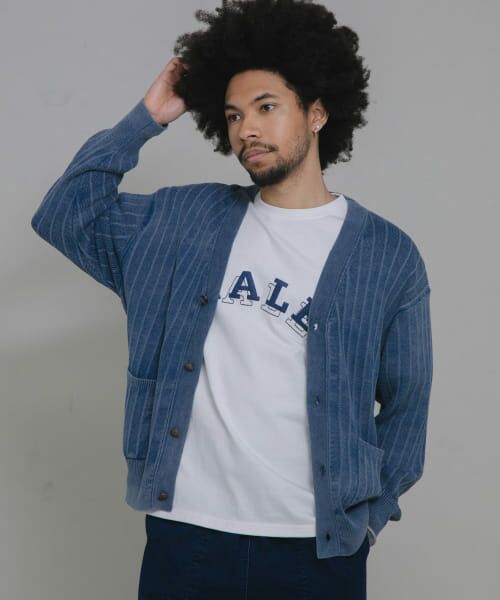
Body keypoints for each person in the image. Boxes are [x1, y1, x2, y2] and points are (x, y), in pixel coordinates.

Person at [31, 1, 433, 598]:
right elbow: (65, 214)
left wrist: (368, 521)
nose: (246, 129)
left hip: (313, 547)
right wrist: (146, 118)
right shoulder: (182, 222)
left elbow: (408, 408)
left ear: (317, 113)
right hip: (187, 537)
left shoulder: (386, 254)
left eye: (266, 107)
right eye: (233, 115)